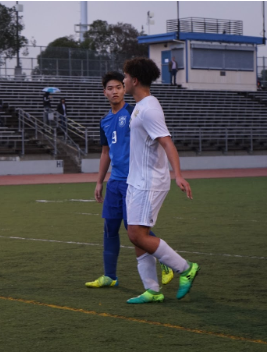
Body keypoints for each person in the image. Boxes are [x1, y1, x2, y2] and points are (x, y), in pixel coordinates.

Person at [85, 71, 174, 288]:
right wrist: (99, 181)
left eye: (118, 87)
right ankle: (110, 276)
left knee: (135, 230)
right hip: (115, 182)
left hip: (134, 181)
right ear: (104, 92)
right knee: (110, 227)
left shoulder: (135, 112)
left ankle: (165, 261)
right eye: (110, 88)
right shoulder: (105, 121)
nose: (114, 91)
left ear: (125, 89)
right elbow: (106, 152)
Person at [123, 57, 199, 304]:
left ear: (134, 80)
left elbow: (167, 142)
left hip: (149, 182)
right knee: (135, 234)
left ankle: (185, 268)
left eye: (124, 77)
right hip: (136, 181)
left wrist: (177, 174)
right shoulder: (140, 105)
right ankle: (152, 290)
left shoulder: (149, 109)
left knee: (137, 233)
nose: (122, 81)